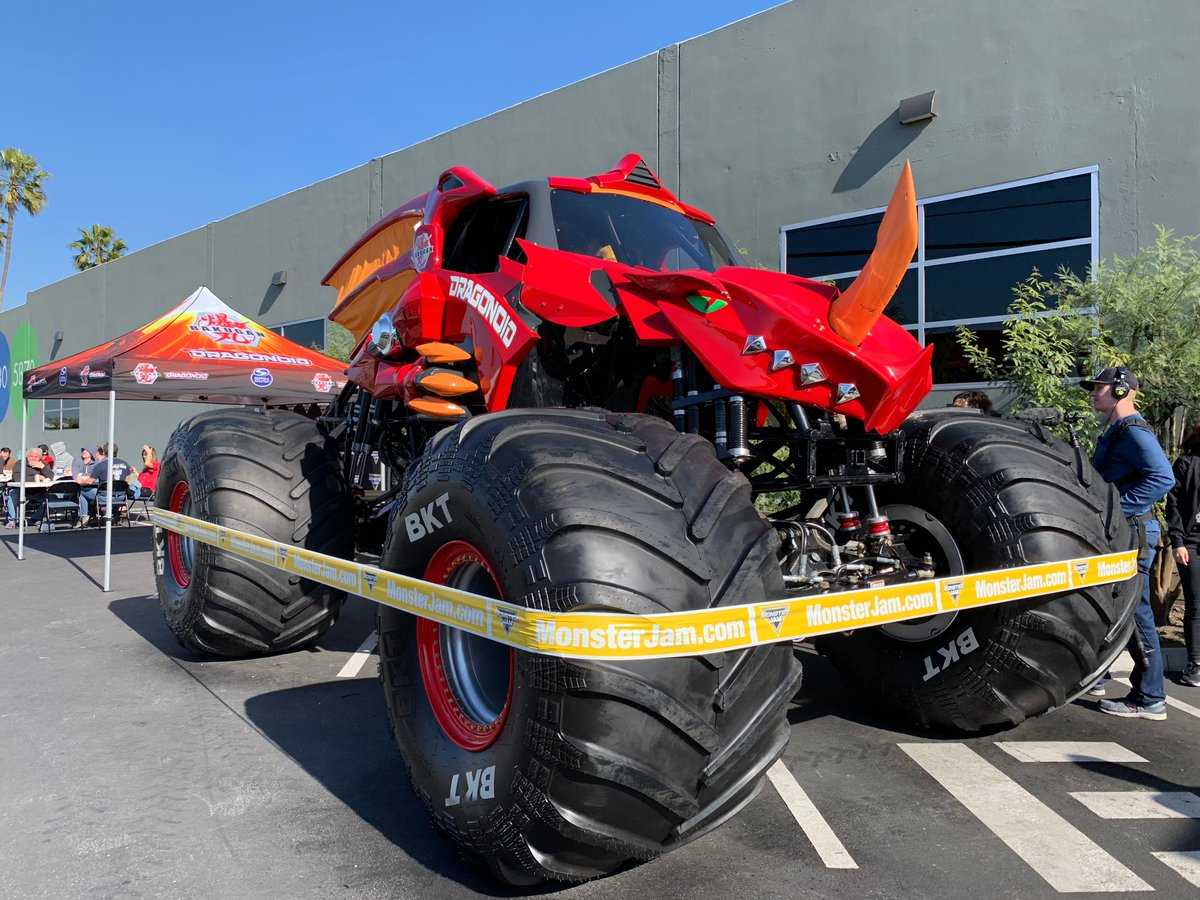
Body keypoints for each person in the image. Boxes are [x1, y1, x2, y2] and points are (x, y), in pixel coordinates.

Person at [1082, 367, 1175, 719]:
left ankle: (1150, 697)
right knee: (1115, 607)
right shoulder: (1119, 429)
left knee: (1134, 613)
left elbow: (1162, 478)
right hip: (1128, 530)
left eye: (1098, 387)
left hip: (1133, 532)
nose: (1093, 392)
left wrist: (1117, 509)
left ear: (1121, 391)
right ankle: (1101, 676)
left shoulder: (1133, 431)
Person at [1166, 421, 1200, 687]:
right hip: (1191, 542)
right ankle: (1195, 664)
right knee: (1196, 606)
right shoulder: (1186, 464)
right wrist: (1177, 542)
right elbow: (1174, 505)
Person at [74, 442, 135, 524]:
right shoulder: (125, 464)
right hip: (121, 496)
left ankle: (84, 517)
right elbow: (127, 480)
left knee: (82, 492)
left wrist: (80, 481)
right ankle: (111, 515)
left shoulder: (101, 465)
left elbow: (90, 481)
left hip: (104, 497)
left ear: (104, 452)